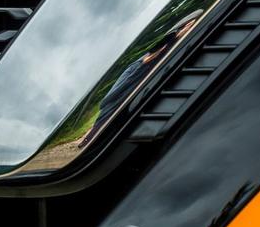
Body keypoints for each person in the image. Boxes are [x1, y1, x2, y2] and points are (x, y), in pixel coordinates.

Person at [77, 9, 204, 149]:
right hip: (127, 85)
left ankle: (88, 139)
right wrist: (178, 36)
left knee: (106, 117)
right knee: (106, 116)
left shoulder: (164, 48)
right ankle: (87, 140)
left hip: (130, 83)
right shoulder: (151, 55)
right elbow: (149, 57)